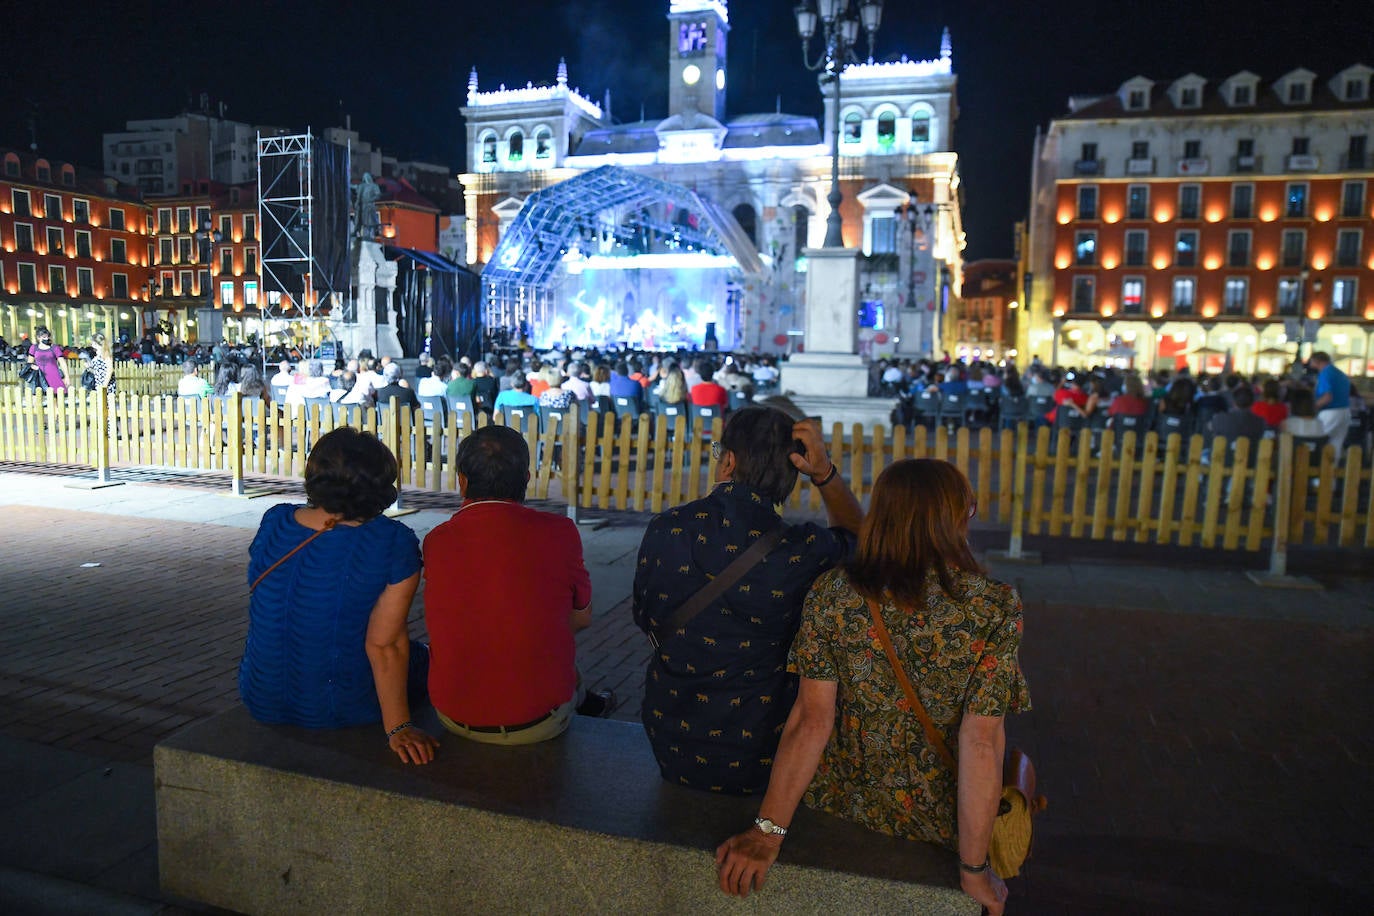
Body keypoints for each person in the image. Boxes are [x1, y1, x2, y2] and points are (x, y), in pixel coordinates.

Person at [714, 460, 1030, 916]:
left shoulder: (834, 593)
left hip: (843, 798)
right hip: (937, 817)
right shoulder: (994, 606)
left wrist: (767, 832)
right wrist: (974, 868)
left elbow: (810, 720)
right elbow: (981, 742)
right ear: (960, 516)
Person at [633, 406, 863, 795]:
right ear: (793, 474)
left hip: (670, 735)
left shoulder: (666, 527)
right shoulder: (802, 549)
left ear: (729, 462)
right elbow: (861, 541)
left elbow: (644, 615)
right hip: (763, 744)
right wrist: (824, 474)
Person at [238, 428, 438, 764]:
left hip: (261, 694)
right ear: (381, 484)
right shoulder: (392, 542)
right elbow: (384, 645)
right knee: (427, 658)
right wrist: (399, 727)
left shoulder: (275, 520)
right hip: (343, 704)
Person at [423, 425, 612, 744]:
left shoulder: (436, 540)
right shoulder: (560, 532)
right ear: (526, 479)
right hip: (538, 720)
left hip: (451, 713)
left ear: (462, 481)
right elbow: (582, 617)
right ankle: (584, 700)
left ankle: (583, 697)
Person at [1309, 352, 1351, 458]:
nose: (1310, 365)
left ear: (1317, 361)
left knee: (1317, 440)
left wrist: (1312, 407)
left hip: (1330, 411)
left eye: (1312, 362)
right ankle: (1332, 472)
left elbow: (1327, 397)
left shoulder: (1325, 374)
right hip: (1345, 411)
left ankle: (1318, 470)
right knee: (1336, 444)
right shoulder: (1339, 373)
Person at [27, 326, 69, 390]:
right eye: (44, 337)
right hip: (39, 376)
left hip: (54, 376)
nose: (46, 339)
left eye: (47, 337)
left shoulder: (55, 348)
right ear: (38, 337)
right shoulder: (33, 348)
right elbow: (29, 363)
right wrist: (33, 366)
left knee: (58, 396)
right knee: (38, 396)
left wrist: (67, 377)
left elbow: (62, 363)